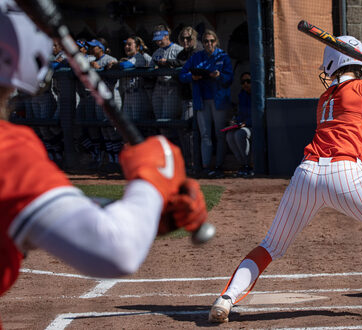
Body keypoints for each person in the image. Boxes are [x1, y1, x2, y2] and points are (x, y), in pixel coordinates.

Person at [207, 35, 362, 323]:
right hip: (345, 173)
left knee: (270, 245)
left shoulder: (326, 98)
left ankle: (225, 299)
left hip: (306, 174)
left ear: (336, 62)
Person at [0, 0, 207, 307]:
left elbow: (18, 208)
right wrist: (153, 180)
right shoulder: (9, 149)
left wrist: (135, 211)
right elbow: (116, 250)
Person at [179, 29, 233, 178]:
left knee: (220, 134)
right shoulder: (197, 57)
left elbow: (230, 78)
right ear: (202, 43)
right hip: (202, 100)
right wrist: (193, 77)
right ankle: (206, 166)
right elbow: (182, 75)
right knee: (205, 135)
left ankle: (219, 166)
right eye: (206, 41)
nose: (209, 44)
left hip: (219, 100)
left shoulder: (223, 56)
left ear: (216, 42)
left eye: (211, 41)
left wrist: (219, 75)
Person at [85, 37, 122, 172]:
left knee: (112, 130)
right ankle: (111, 160)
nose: (90, 48)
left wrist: (101, 69)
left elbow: (113, 80)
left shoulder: (110, 59)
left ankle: (118, 160)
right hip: (98, 98)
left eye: (93, 46)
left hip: (111, 97)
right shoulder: (91, 60)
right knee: (104, 130)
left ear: (100, 47)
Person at [174, 26, 203, 174]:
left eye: (188, 38)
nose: (185, 41)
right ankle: (189, 162)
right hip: (185, 97)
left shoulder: (199, 51)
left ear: (194, 39)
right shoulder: (180, 54)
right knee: (185, 129)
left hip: (201, 97)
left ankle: (195, 163)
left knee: (197, 132)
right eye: (183, 38)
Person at [150, 25, 183, 127]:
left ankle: (171, 142)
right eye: (156, 40)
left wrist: (169, 64)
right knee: (159, 122)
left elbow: (184, 64)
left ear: (167, 36)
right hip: (158, 88)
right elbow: (150, 68)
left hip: (172, 88)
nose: (158, 42)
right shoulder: (156, 52)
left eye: (160, 39)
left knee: (166, 122)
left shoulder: (178, 50)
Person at [226, 72, 253, 178]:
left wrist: (246, 123)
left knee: (240, 134)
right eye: (243, 82)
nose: (245, 84)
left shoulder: (257, 94)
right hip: (244, 125)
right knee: (229, 135)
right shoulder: (242, 95)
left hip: (255, 127)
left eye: (248, 81)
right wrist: (235, 122)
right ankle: (243, 164)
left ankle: (248, 165)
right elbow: (241, 114)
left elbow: (258, 115)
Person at [119, 36, 152, 122]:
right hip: (127, 95)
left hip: (138, 94)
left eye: (129, 44)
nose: (126, 47)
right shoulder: (128, 59)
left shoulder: (139, 57)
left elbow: (125, 65)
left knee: (137, 125)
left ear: (137, 47)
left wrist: (115, 64)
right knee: (127, 125)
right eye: (125, 44)